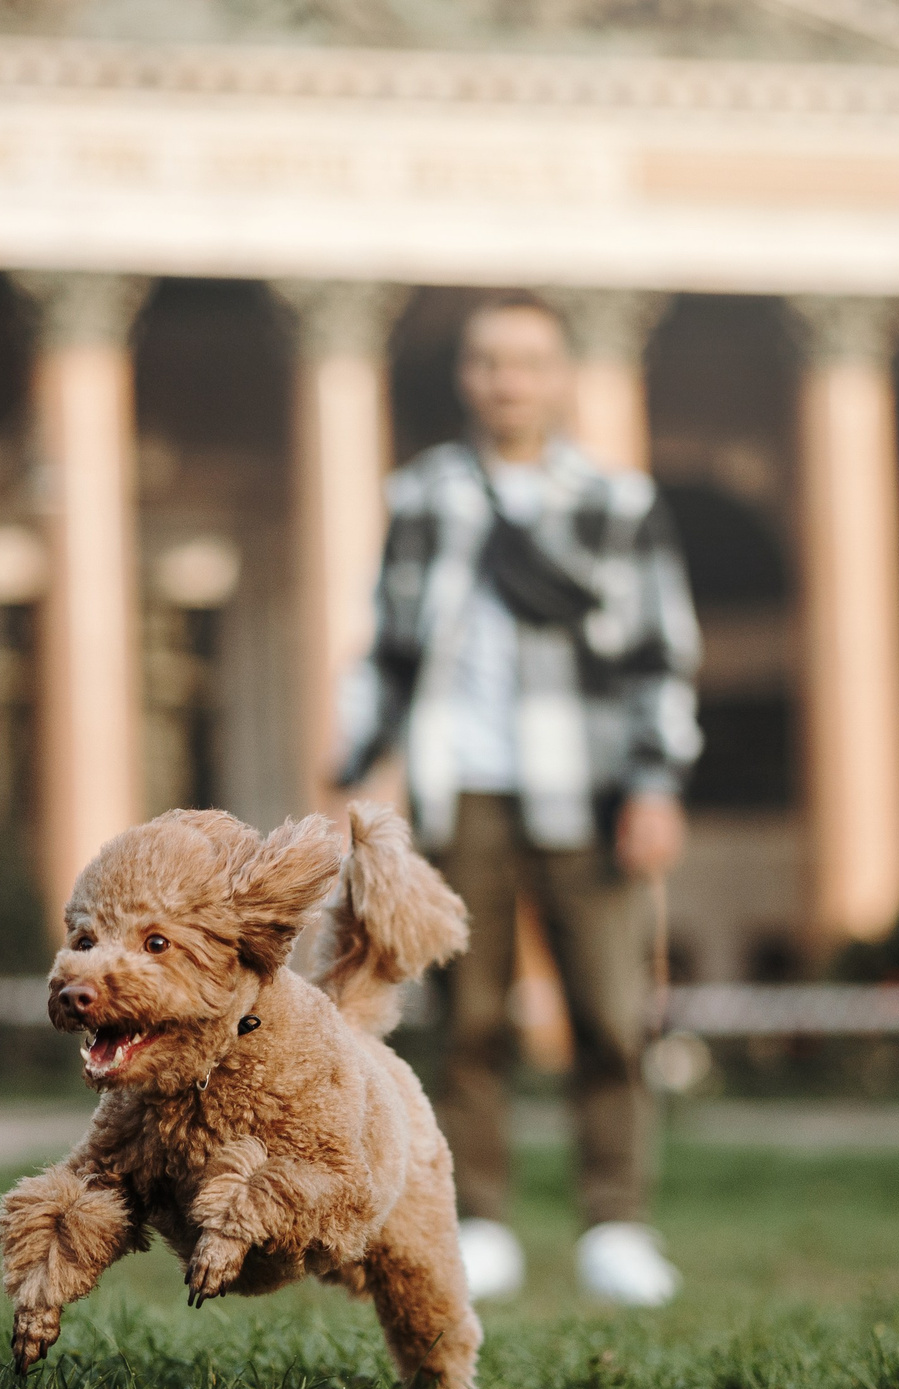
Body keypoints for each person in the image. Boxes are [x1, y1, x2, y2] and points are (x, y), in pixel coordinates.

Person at [335, 291, 702, 1305]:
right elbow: (387, 646)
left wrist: (657, 780)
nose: (508, 380)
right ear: (467, 377)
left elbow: (660, 655)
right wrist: (356, 765)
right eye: (490, 361)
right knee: (467, 1022)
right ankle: (479, 1220)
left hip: (589, 792)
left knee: (612, 1016)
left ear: (560, 375)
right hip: (463, 794)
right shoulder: (422, 497)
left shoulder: (615, 503)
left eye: (528, 361)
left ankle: (616, 1223)